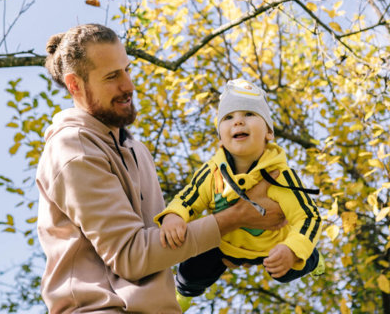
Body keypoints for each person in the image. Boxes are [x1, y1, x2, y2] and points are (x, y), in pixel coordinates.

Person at [36, 24, 285, 314]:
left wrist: (229, 246)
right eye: (112, 76)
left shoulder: (135, 150)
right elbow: (131, 256)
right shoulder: (73, 149)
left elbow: (158, 250)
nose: (128, 85)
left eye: (127, 70)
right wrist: (234, 217)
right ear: (75, 85)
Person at [155, 79, 324, 312]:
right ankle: (182, 295)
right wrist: (174, 215)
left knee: (288, 269)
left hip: (273, 246)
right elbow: (189, 198)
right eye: (228, 117)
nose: (238, 120)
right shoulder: (213, 172)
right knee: (191, 271)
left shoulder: (280, 176)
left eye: (249, 114)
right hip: (226, 244)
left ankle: (313, 260)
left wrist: (292, 250)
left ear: (269, 132)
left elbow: (309, 217)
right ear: (220, 137)